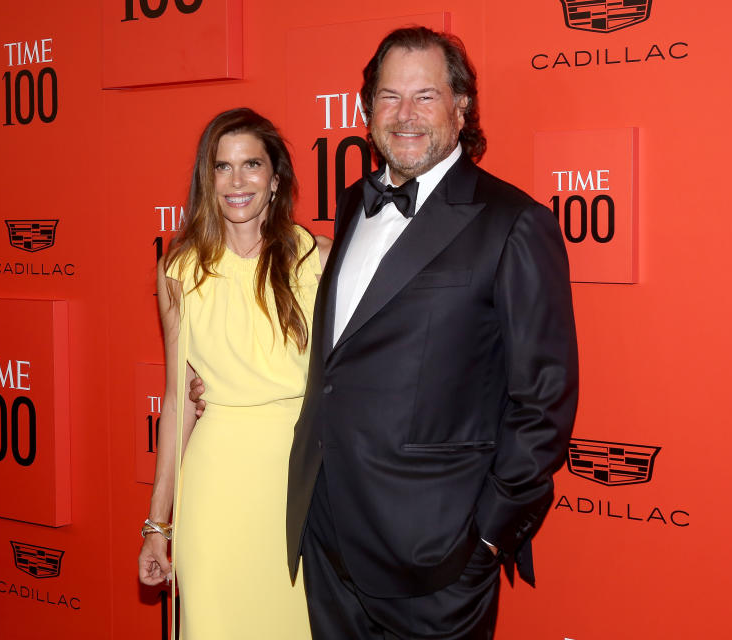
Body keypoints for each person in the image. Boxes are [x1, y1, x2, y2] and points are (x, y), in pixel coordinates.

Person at [286, 27, 579, 639]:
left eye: (425, 96)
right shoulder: (349, 205)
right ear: (367, 112)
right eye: (389, 97)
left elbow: (543, 402)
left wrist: (487, 538)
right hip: (329, 542)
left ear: (462, 105)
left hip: (436, 559)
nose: (405, 115)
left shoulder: (515, 223)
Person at [138, 107, 330, 640]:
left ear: (275, 179)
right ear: (208, 179)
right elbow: (178, 401)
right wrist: (158, 525)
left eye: (252, 165)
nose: (238, 181)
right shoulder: (178, 269)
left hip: (299, 482)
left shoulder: (318, 260)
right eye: (222, 167)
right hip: (216, 483)